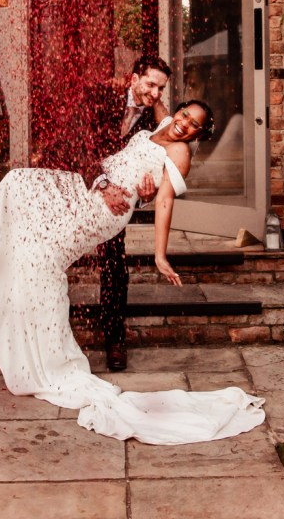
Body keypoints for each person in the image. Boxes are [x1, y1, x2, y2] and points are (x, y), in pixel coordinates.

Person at [0, 101, 266, 445]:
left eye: (195, 125)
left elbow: (164, 201)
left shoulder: (180, 153)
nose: (185, 124)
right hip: (91, 188)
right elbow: (161, 108)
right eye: (184, 115)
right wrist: (150, 93)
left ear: (201, 134)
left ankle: (39, 351)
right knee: (18, 191)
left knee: (40, 247)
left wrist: (160, 254)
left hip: (106, 209)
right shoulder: (162, 124)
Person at [90, 54, 172, 373]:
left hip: (116, 203)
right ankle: (14, 333)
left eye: (161, 89)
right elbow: (78, 145)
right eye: (150, 84)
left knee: (115, 263)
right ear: (134, 77)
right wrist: (102, 184)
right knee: (44, 257)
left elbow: (145, 174)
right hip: (77, 186)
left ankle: (114, 340)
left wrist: (145, 197)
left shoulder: (155, 123)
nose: (154, 94)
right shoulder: (98, 96)